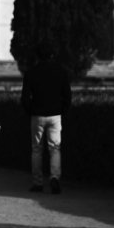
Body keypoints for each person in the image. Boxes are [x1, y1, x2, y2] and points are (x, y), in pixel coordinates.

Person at [20, 49, 72, 194]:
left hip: (37, 115)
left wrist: (30, 111)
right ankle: (55, 177)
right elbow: (67, 95)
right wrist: (63, 110)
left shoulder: (31, 72)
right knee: (55, 148)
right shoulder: (60, 71)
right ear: (52, 55)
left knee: (37, 149)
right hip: (55, 115)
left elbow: (25, 97)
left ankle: (37, 183)